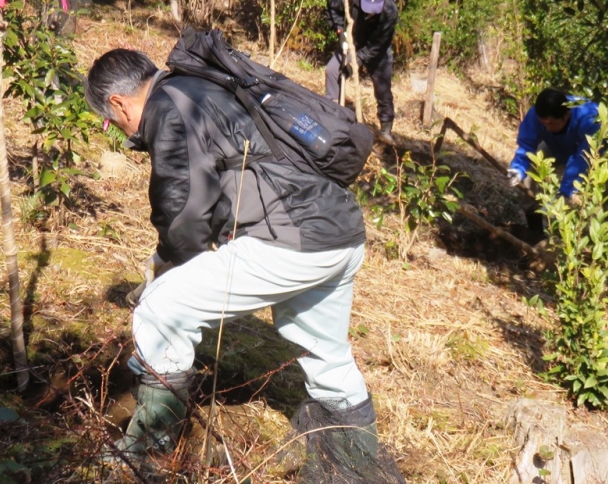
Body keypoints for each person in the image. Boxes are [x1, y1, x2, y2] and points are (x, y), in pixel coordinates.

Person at [85, 49, 404, 481]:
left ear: (119, 104)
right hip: (340, 234)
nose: (121, 131)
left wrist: (170, 270)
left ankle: (146, 454)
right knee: (325, 355)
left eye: (112, 122)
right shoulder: (207, 85)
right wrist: (169, 258)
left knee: (161, 311)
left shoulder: (168, 105)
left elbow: (182, 208)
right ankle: (356, 467)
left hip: (291, 242)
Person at [507, 88, 608, 262]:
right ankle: (535, 235)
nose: (546, 127)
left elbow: (580, 160)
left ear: (566, 116)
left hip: (598, 148)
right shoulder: (536, 115)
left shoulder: (590, 119)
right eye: (543, 123)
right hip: (557, 143)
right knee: (530, 172)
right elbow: (527, 144)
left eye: (550, 124)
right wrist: (518, 168)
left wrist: (562, 194)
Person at [325, 0, 398, 145]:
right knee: (332, 70)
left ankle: (386, 129)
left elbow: (378, 45)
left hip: (377, 50)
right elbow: (332, 8)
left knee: (382, 89)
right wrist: (339, 30)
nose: (369, 12)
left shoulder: (390, 12)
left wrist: (355, 63)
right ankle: (331, 112)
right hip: (353, 41)